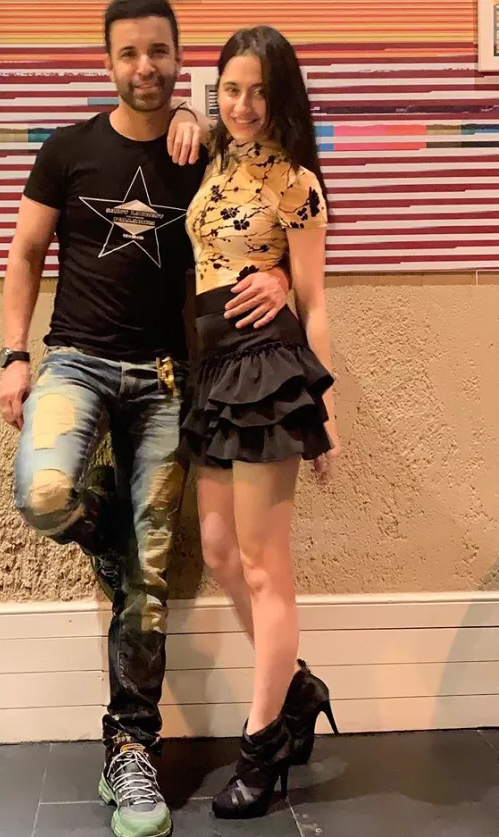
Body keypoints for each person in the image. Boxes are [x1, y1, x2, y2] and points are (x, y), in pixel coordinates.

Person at [0, 3, 289, 836]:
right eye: (129, 53)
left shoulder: (208, 155)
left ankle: (130, 749)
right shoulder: (67, 149)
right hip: (75, 363)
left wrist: (282, 280)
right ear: (109, 62)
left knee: (148, 583)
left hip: (169, 379)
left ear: (177, 57)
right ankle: (119, 537)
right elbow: (25, 253)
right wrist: (14, 353)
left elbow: (275, 214)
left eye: (159, 51)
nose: (145, 66)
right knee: (45, 495)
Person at [181, 25, 342, 819]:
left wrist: (326, 411)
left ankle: (264, 739)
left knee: (263, 564)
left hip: (267, 370)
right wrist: (191, 113)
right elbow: (190, 120)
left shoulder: (298, 184)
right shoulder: (213, 155)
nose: (243, 105)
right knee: (218, 550)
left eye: (258, 91)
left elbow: (314, 299)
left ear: (282, 97)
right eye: (230, 90)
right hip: (213, 368)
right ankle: (298, 686)